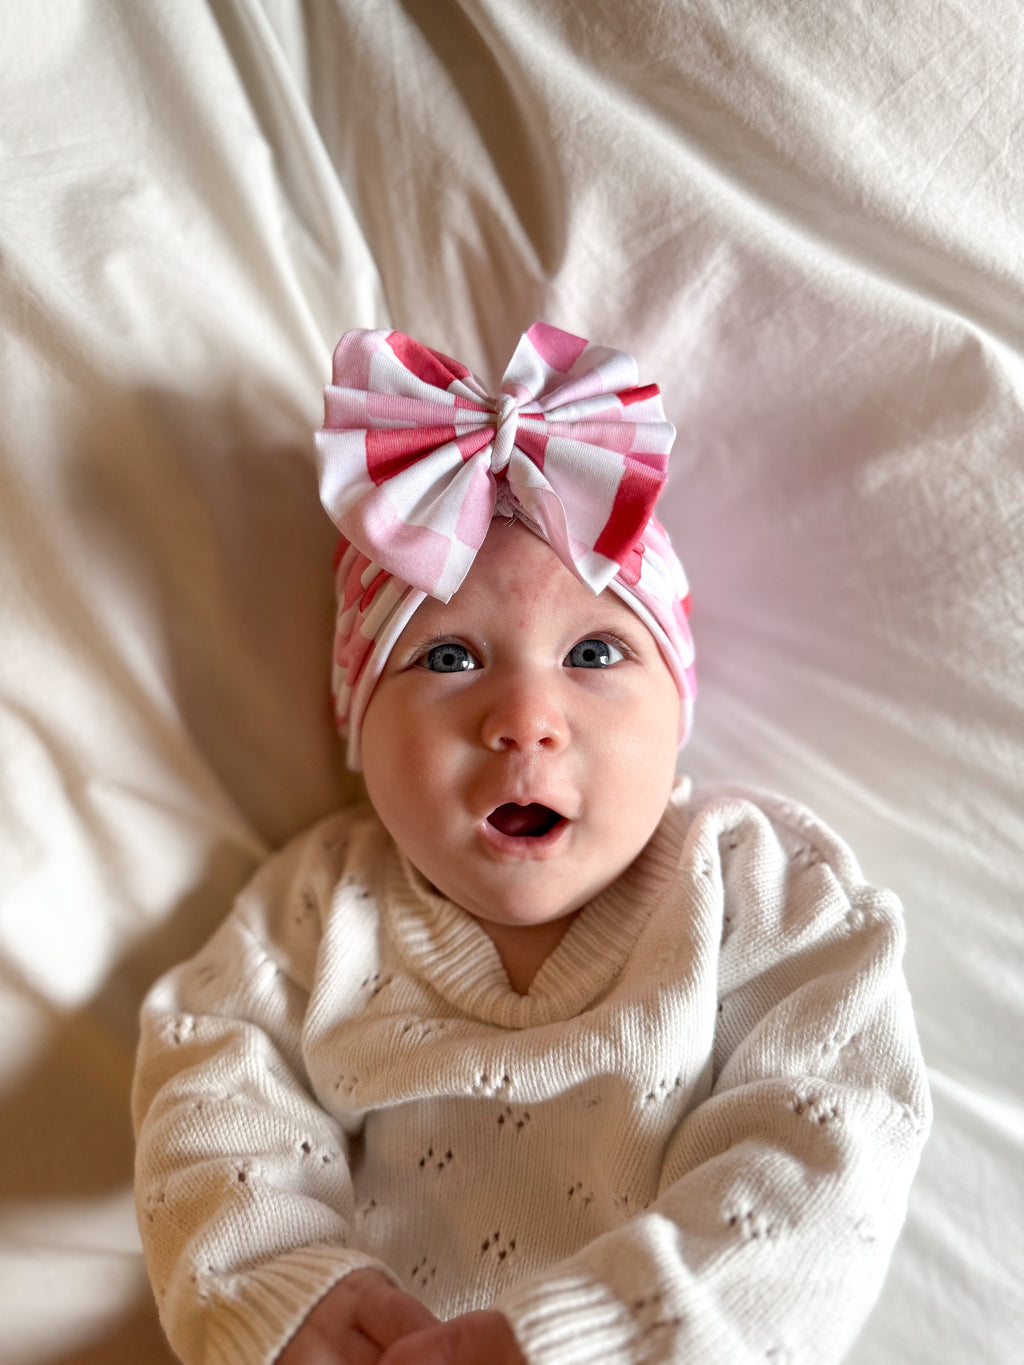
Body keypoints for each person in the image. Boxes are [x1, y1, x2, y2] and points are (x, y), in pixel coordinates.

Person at [132, 323, 931, 1365]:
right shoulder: (325, 905)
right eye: (448, 657)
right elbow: (210, 1088)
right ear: (357, 727)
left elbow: (831, 1145)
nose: (524, 718)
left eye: (594, 653)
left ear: (677, 710)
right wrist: (280, 1284)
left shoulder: (754, 889)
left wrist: (616, 1331)